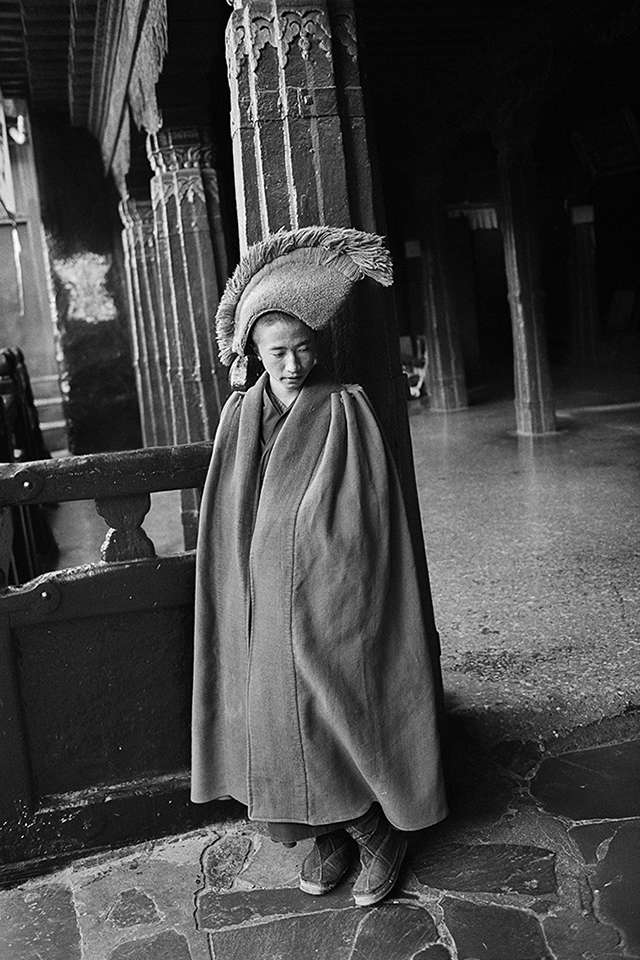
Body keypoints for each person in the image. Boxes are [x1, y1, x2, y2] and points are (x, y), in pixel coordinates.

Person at [191, 226, 447, 907]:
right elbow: (227, 519)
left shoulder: (344, 409)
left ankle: (377, 833)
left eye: (304, 348)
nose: (294, 364)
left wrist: (313, 572)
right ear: (253, 352)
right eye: (278, 352)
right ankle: (324, 835)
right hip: (260, 598)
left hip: (327, 591)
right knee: (275, 712)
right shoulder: (239, 417)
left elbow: (364, 515)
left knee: (331, 696)